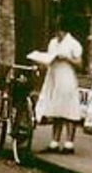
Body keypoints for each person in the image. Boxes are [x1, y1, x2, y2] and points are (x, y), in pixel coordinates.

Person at [34, 17, 83, 153]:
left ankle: (69, 143)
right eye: (56, 33)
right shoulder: (53, 43)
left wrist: (66, 58)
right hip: (54, 78)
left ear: (65, 31)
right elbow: (49, 58)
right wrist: (42, 61)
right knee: (56, 110)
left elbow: (80, 64)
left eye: (60, 32)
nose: (58, 35)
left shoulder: (73, 44)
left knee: (69, 110)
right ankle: (54, 142)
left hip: (67, 78)